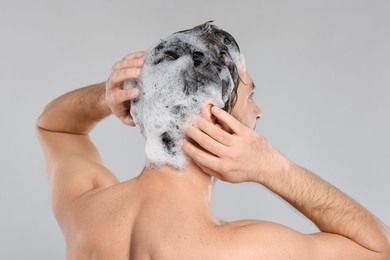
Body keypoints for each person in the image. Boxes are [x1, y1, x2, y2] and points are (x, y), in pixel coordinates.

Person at [36, 23, 390, 259]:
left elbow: (55, 128)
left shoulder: (85, 210)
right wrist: (273, 168)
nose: (258, 112)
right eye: (249, 96)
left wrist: (105, 94)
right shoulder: (243, 249)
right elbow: (380, 249)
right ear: (212, 116)